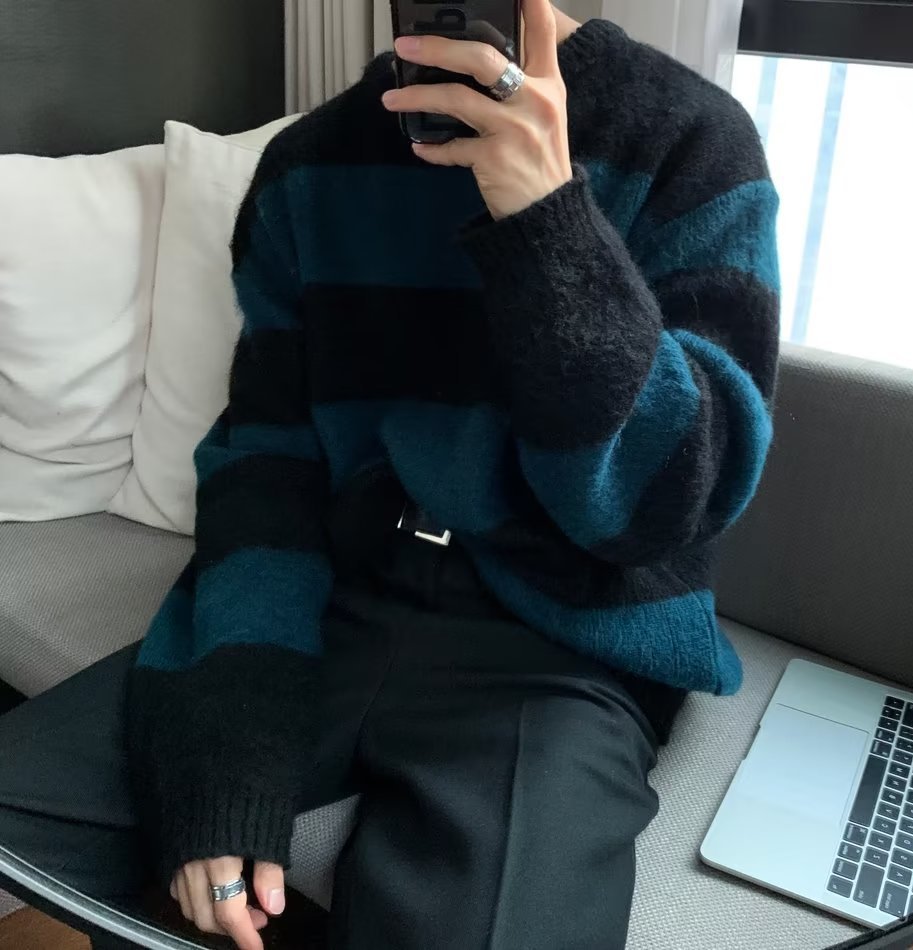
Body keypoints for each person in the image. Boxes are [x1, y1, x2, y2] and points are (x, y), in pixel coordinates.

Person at [0, 3, 780, 948]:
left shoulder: (692, 138)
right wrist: (226, 743)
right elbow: (266, 464)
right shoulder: (308, 164)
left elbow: (669, 507)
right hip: (339, 592)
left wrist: (547, 220)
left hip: (562, 645)